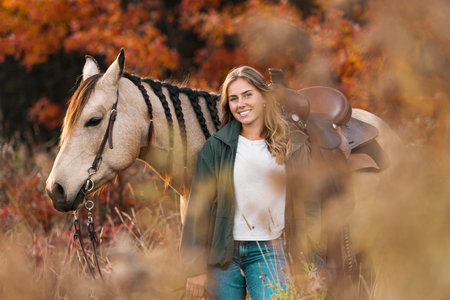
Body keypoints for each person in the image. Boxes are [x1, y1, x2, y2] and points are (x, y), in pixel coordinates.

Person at [180, 66, 313, 299]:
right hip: (223, 255)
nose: (240, 104)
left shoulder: (292, 145)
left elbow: (309, 205)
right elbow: (198, 210)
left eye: (247, 94)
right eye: (233, 98)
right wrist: (194, 267)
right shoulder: (216, 146)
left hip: (270, 253)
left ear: (263, 97)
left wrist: (306, 262)